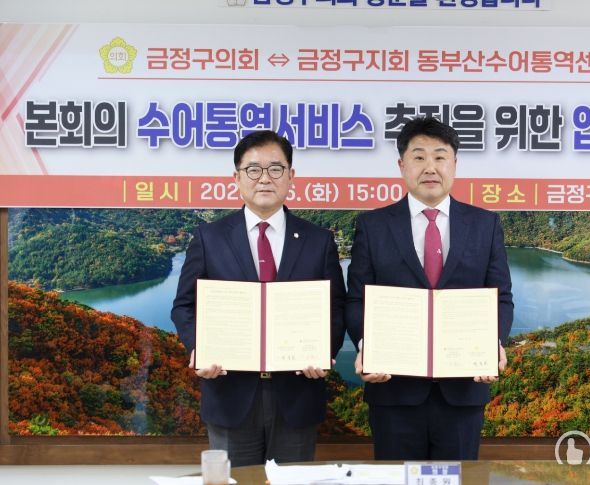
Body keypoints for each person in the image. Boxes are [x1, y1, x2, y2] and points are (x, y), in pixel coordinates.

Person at [172, 130, 346, 466]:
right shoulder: (209, 238)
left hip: (298, 392)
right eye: (253, 169)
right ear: (236, 177)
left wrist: (324, 351)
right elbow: (184, 306)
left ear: (291, 176)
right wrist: (199, 348)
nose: (265, 178)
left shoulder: (318, 240)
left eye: (275, 169)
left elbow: (335, 307)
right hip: (228, 393)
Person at [345, 117, 514, 460]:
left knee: (458, 479)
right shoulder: (373, 226)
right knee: (395, 479)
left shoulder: (485, 224)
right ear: (402, 166)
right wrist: (367, 346)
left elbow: (502, 298)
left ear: (455, 164)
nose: (430, 167)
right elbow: (357, 299)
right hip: (393, 389)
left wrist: (492, 344)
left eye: (440, 156)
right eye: (419, 157)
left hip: (463, 390)